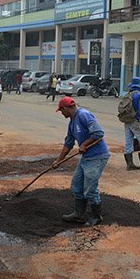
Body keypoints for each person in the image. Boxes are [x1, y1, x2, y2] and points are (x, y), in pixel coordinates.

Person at [52, 96, 110, 226]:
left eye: (61, 111)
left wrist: (84, 144)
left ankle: (97, 217)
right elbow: (68, 143)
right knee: (77, 185)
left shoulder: (84, 115)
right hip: (86, 158)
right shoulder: (72, 123)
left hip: (97, 157)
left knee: (89, 189)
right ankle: (79, 214)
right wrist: (58, 161)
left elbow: (98, 133)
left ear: (66, 108)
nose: (61, 113)